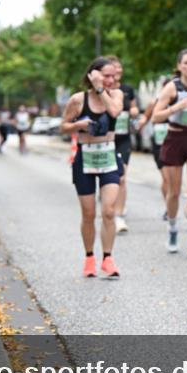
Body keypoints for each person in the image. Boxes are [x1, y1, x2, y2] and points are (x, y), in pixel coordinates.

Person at [61, 57, 125, 278]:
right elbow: (63, 126)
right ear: (92, 74)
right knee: (88, 214)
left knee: (108, 211)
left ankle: (108, 258)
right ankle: (89, 258)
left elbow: (115, 112)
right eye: (105, 75)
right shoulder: (78, 100)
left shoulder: (116, 95)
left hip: (108, 156)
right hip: (85, 158)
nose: (110, 79)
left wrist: (100, 90)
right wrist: (78, 125)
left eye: (112, 76)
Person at [151, 50, 187, 257]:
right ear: (179, 65)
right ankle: (173, 229)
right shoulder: (171, 87)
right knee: (173, 192)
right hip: (174, 139)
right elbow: (155, 117)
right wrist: (176, 107)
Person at [106, 56, 140, 234]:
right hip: (105, 140)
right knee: (108, 179)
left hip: (123, 139)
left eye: (119, 68)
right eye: (114, 68)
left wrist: (134, 112)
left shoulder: (127, 90)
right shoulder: (102, 91)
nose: (117, 71)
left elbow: (134, 109)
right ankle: (108, 206)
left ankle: (119, 216)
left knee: (121, 177)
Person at [136, 78, 172, 221]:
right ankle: (168, 207)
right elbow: (145, 118)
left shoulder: (178, 104)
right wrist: (139, 125)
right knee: (165, 178)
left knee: (172, 178)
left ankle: (171, 205)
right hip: (159, 145)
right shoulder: (154, 103)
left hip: (174, 144)